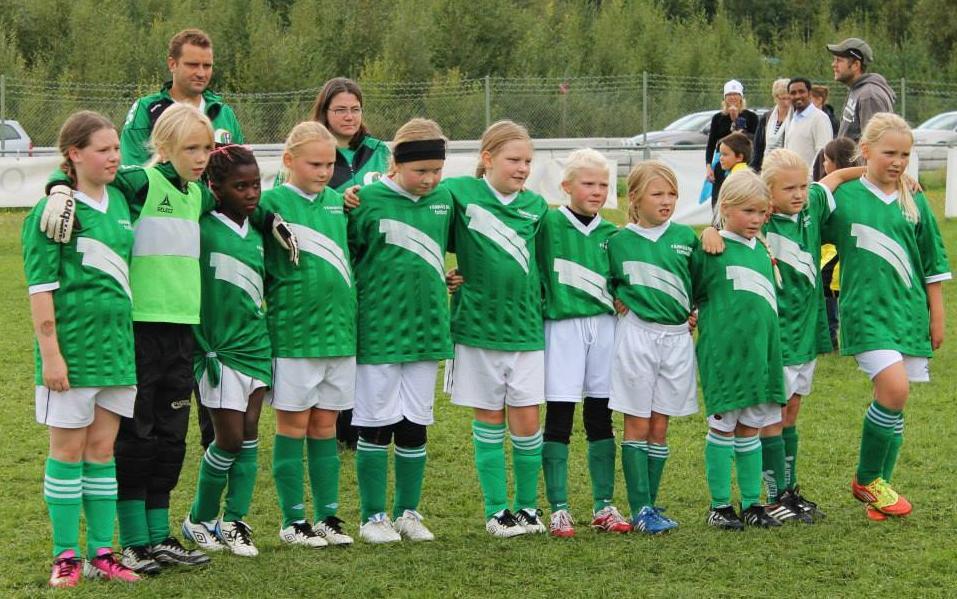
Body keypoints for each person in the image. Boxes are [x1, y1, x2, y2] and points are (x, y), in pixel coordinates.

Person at [42, 104, 220, 574]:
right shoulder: (140, 183)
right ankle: (133, 541)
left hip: (183, 328)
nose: (201, 157)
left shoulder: (198, 193)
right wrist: (57, 189)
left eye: (207, 148)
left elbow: (243, 202)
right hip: (138, 328)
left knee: (170, 438)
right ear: (163, 147)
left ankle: (159, 535)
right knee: (135, 438)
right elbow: (85, 183)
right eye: (191, 148)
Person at [23, 111, 140, 587]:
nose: (114, 157)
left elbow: (167, 166)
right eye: (103, 150)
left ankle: (102, 553)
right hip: (71, 353)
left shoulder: (123, 199)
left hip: (116, 352)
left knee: (102, 451)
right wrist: (51, 354)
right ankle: (65, 555)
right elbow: (40, 289)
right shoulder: (51, 213)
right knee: (67, 452)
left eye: (116, 148)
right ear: (74, 154)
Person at [822, 113, 949, 520]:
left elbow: (932, 260)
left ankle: (881, 489)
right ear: (866, 151)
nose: (898, 162)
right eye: (889, 153)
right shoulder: (843, 198)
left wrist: (937, 315)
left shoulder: (913, 199)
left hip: (908, 312)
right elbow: (803, 212)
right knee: (894, 390)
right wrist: (839, 176)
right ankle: (866, 480)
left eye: (905, 155)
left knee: (893, 401)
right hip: (864, 311)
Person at [347, 118, 452, 543]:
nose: (428, 179)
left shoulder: (446, 198)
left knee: (414, 423)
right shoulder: (363, 200)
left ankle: (408, 512)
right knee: (376, 422)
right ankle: (372, 517)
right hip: (379, 330)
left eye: (436, 171)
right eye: (419, 171)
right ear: (394, 164)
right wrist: (344, 194)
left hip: (426, 330)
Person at [443, 120, 549, 538]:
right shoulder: (458, 195)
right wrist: (447, 275)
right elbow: (429, 233)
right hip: (477, 328)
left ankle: (526, 507)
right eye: (514, 160)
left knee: (527, 419)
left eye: (528, 161)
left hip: (525, 330)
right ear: (487, 159)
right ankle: (496, 511)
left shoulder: (537, 206)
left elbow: (541, 266)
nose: (522, 168)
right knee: (488, 416)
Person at [260, 121, 356, 548]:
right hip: (295, 334)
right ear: (289, 161)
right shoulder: (269, 204)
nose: (323, 172)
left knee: (326, 427)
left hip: (340, 334)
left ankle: (328, 516)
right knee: (293, 426)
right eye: (314, 163)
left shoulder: (339, 203)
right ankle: (292, 520)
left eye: (330, 164)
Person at [182, 145, 271, 557]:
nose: (251, 193)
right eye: (241, 186)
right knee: (229, 438)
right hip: (217, 351)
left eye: (255, 185)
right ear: (214, 188)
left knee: (250, 435)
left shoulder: (258, 231)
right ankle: (199, 517)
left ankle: (235, 521)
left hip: (256, 345)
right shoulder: (201, 227)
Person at [298, 78, 392, 451]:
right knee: (333, 338)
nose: (349, 116)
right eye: (340, 109)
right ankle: (329, 423)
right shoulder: (312, 149)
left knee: (368, 341)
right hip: (330, 259)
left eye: (355, 109)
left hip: (374, 259)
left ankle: (363, 421)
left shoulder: (380, 151)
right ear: (324, 111)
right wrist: (339, 197)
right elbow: (296, 195)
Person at [607, 161, 699, 534]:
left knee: (661, 424)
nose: (666, 201)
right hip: (637, 336)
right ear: (635, 198)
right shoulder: (617, 241)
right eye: (657, 193)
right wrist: (615, 298)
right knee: (637, 420)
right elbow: (606, 281)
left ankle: (650, 504)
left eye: (672, 194)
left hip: (677, 339)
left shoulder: (687, 238)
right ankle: (639, 506)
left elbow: (700, 285)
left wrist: (692, 312)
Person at [537, 149, 625, 537]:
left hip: (605, 328)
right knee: (559, 414)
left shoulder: (612, 235)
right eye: (588, 184)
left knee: (600, 413)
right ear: (566, 186)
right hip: (562, 327)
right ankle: (558, 508)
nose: (596, 191)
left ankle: (604, 505)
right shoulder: (546, 225)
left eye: (603, 185)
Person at [692, 170, 786, 530]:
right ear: (726, 208)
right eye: (748, 211)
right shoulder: (710, 249)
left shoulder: (762, 248)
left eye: (762, 212)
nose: (756, 219)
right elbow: (693, 292)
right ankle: (719, 505)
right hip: (724, 355)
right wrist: (708, 230)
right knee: (723, 427)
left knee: (750, 428)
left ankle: (751, 502)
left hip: (760, 355)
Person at [120, 29, 244, 166]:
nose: (201, 73)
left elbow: (240, 169)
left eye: (207, 66)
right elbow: (133, 173)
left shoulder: (224, 113)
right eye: (193, 65)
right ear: (172, 64)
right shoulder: (146, 109)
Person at [819, 138, 861, 348]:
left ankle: (831, 333)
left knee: (830, 286)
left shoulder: (839, 191)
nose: (824, 165)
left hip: (838, 250)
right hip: (831, 250)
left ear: (837, 162)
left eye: (826, 161)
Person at [827, 37, 895, 141]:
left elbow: (874, 144)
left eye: (839, 60)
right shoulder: (856, 90)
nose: (833, 65)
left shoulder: (869, 96)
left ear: (855, 65)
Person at [705, 80, 759, 208]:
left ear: (741, 97)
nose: (733, 97)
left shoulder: (751, 117)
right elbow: (711, 144)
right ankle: (718, 224)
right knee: (719, 196)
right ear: (725, 98)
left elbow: (755, 140)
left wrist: (737, 122)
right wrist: (708, 166)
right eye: (729, 94)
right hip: (722, 162)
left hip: (743, 162)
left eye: (736, 94)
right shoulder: (718, 118)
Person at [784, 78, 834, 170]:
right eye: (793, 93)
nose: (797, 96)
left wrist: (811, 180)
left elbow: (822, 154)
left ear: (810, 94)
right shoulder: (793, 120)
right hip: (795, 179)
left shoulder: (819, 118)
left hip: (810, 181)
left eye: (801, 92)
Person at [751, 79, 791, 171]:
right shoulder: (766, 117)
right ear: (776, 98)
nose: (786, 102)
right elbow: (758, 146)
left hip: (787, 166)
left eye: (789, 98)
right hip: (767, 166)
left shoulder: (795, 118)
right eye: (783, 98)